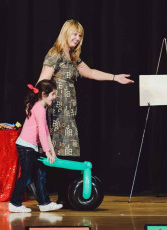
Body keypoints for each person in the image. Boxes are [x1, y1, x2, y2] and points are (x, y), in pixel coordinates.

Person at [37, 19, 134, 207]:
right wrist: (36, 106)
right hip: (56, 114)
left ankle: (64, 198)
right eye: (74, 34)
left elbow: (90, 72)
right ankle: (51, 197)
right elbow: (43, 81)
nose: (77, 38)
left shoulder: (73, 57)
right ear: (65, 33)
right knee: (54, 155)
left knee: (67, 155)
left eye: (80, 35)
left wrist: (115, 78)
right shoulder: (55, 53)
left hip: (68, 115)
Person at [8, 80, 63, 213]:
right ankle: (14, 203)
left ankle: (44, 203)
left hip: (30, 147)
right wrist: (47, 151)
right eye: (53, 94)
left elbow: (45, 131)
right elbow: (42, 133)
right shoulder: (39, 108)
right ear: (44, 94)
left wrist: (51, 151)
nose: (54, 97)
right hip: (26, 147)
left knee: (40, 173)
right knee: (26, 176)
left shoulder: (38, 107)